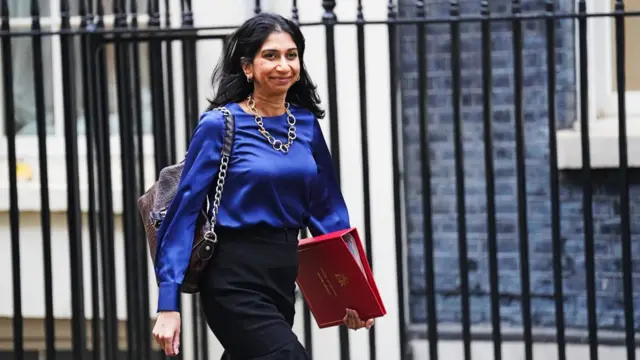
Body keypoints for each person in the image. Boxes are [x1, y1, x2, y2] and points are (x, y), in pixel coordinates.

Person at [151, 12, 374, 359]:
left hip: (283, 275)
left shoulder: (306, 125)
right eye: (270, 55)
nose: (283, 65)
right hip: (232, 277)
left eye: (291, 55)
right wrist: (168, 303)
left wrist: (354, 292)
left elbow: (327, 210)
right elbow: (183, 212)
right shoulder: (220, 124)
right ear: (247, 67)